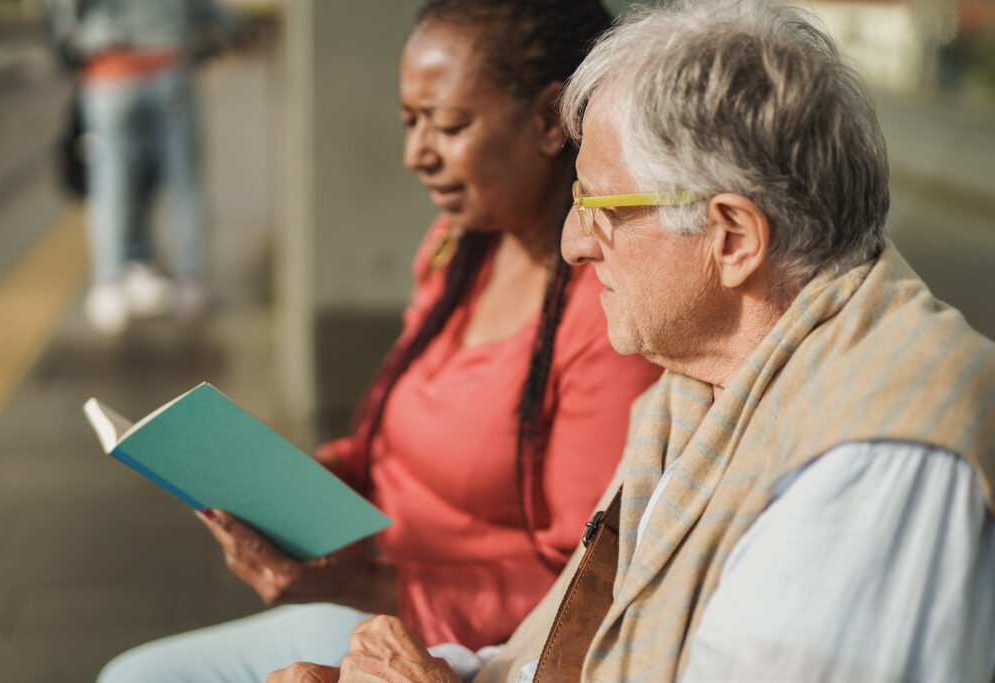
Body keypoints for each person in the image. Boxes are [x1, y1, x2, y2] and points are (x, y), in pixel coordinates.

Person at [267, 1, 995, 681]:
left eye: (599, 205)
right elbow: (576, 643)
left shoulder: (874, 454)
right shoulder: (702, 378)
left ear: (732, 237)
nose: (576, 242)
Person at [98, 1, 662, 681]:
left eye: (448, 125)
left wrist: (364, 584)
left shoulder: (604, 316)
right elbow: (385, 443)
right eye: (410, 121)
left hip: (453, 639)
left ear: (549, 118)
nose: (415, 154)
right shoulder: (458, 249)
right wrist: (287, 490)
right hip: (363, 599)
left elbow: (578, 582)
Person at [47, 0, 242, 335]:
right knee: (185, 183)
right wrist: (227, 31)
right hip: (168, 63)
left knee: (110, 185)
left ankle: (110, 285)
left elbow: (65, 12)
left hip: (109, 71)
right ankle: (190, 282)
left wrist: (71, 39)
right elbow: (209, 9)